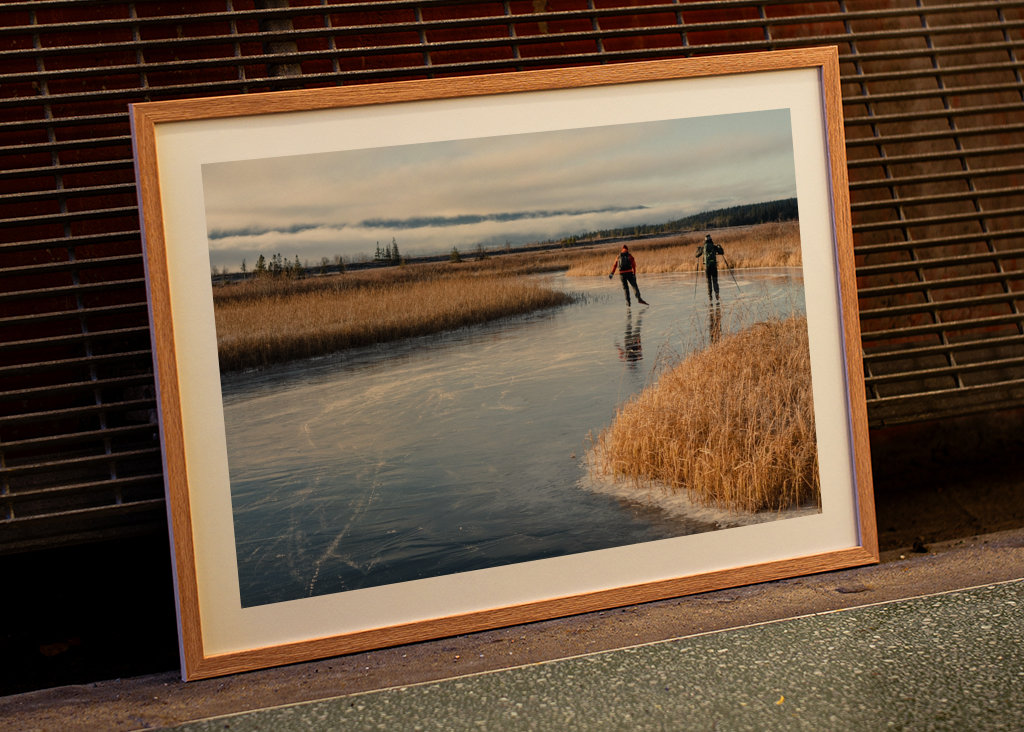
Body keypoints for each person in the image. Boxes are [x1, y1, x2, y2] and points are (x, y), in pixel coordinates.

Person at [696, 233, 725, 301]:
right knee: (715, 281)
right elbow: (721, 252)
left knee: (708, 282)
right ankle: (717, 295)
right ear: (711, 239)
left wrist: (698, 249)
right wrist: (719, 246)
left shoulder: (703, 248)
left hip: (707, 267)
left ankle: (710, 297)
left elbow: (696, 255)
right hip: (714, 266)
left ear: (705, 240)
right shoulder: (714, 247)